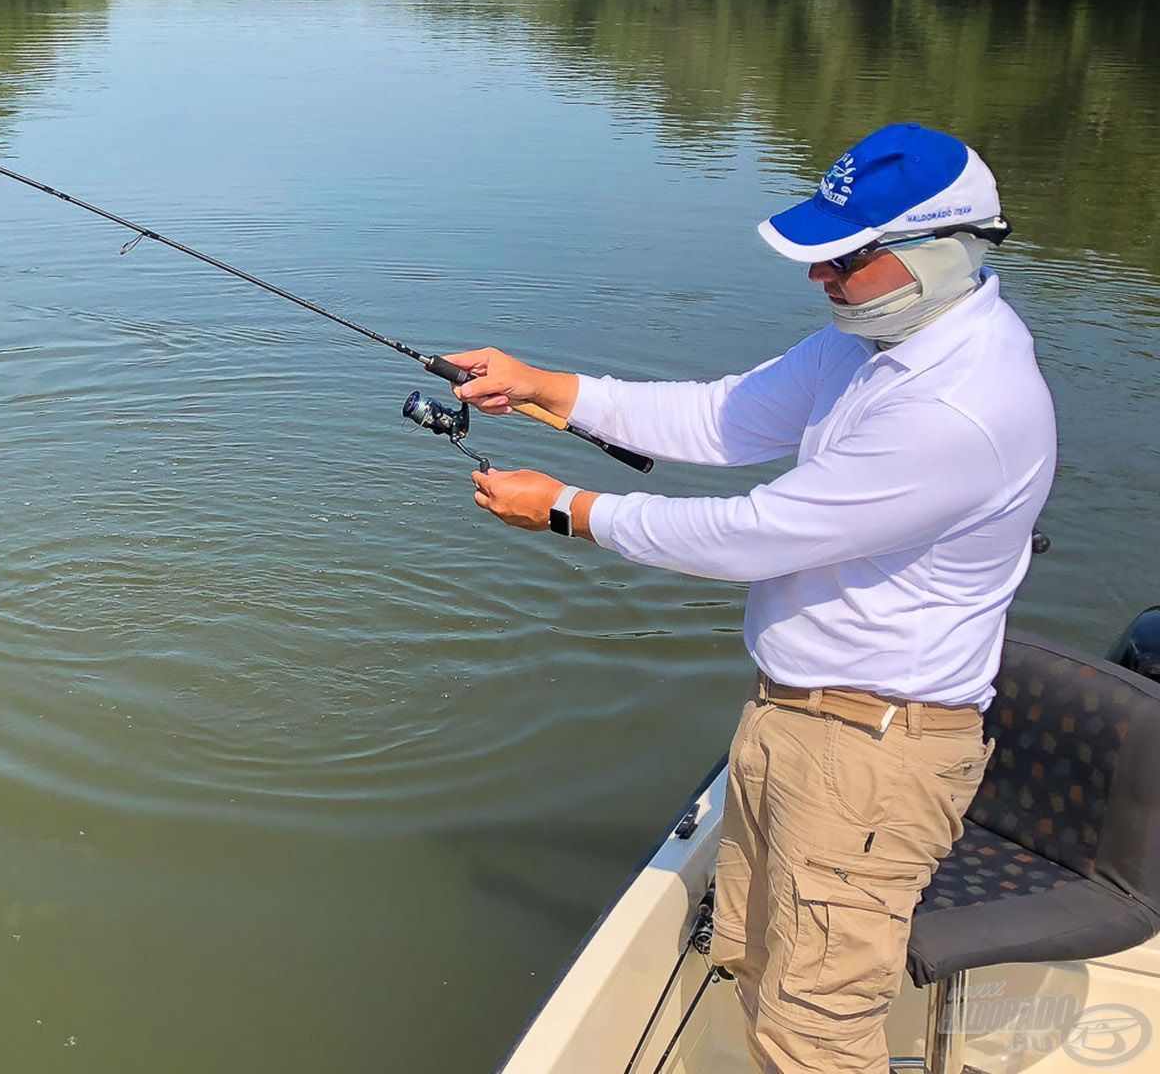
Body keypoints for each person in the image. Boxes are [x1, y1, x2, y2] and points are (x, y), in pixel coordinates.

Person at [448, 123, 1055, 1073]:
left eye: (844, 258)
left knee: (817, 1032)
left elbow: (751, 535)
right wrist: (546, 388)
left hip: (873, 755)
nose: (821, 278)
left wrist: (568, 509)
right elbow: (727, 415)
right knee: (764, 979)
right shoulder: (874, 338)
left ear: (937, 254)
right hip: (797, 721)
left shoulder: (959, 408)